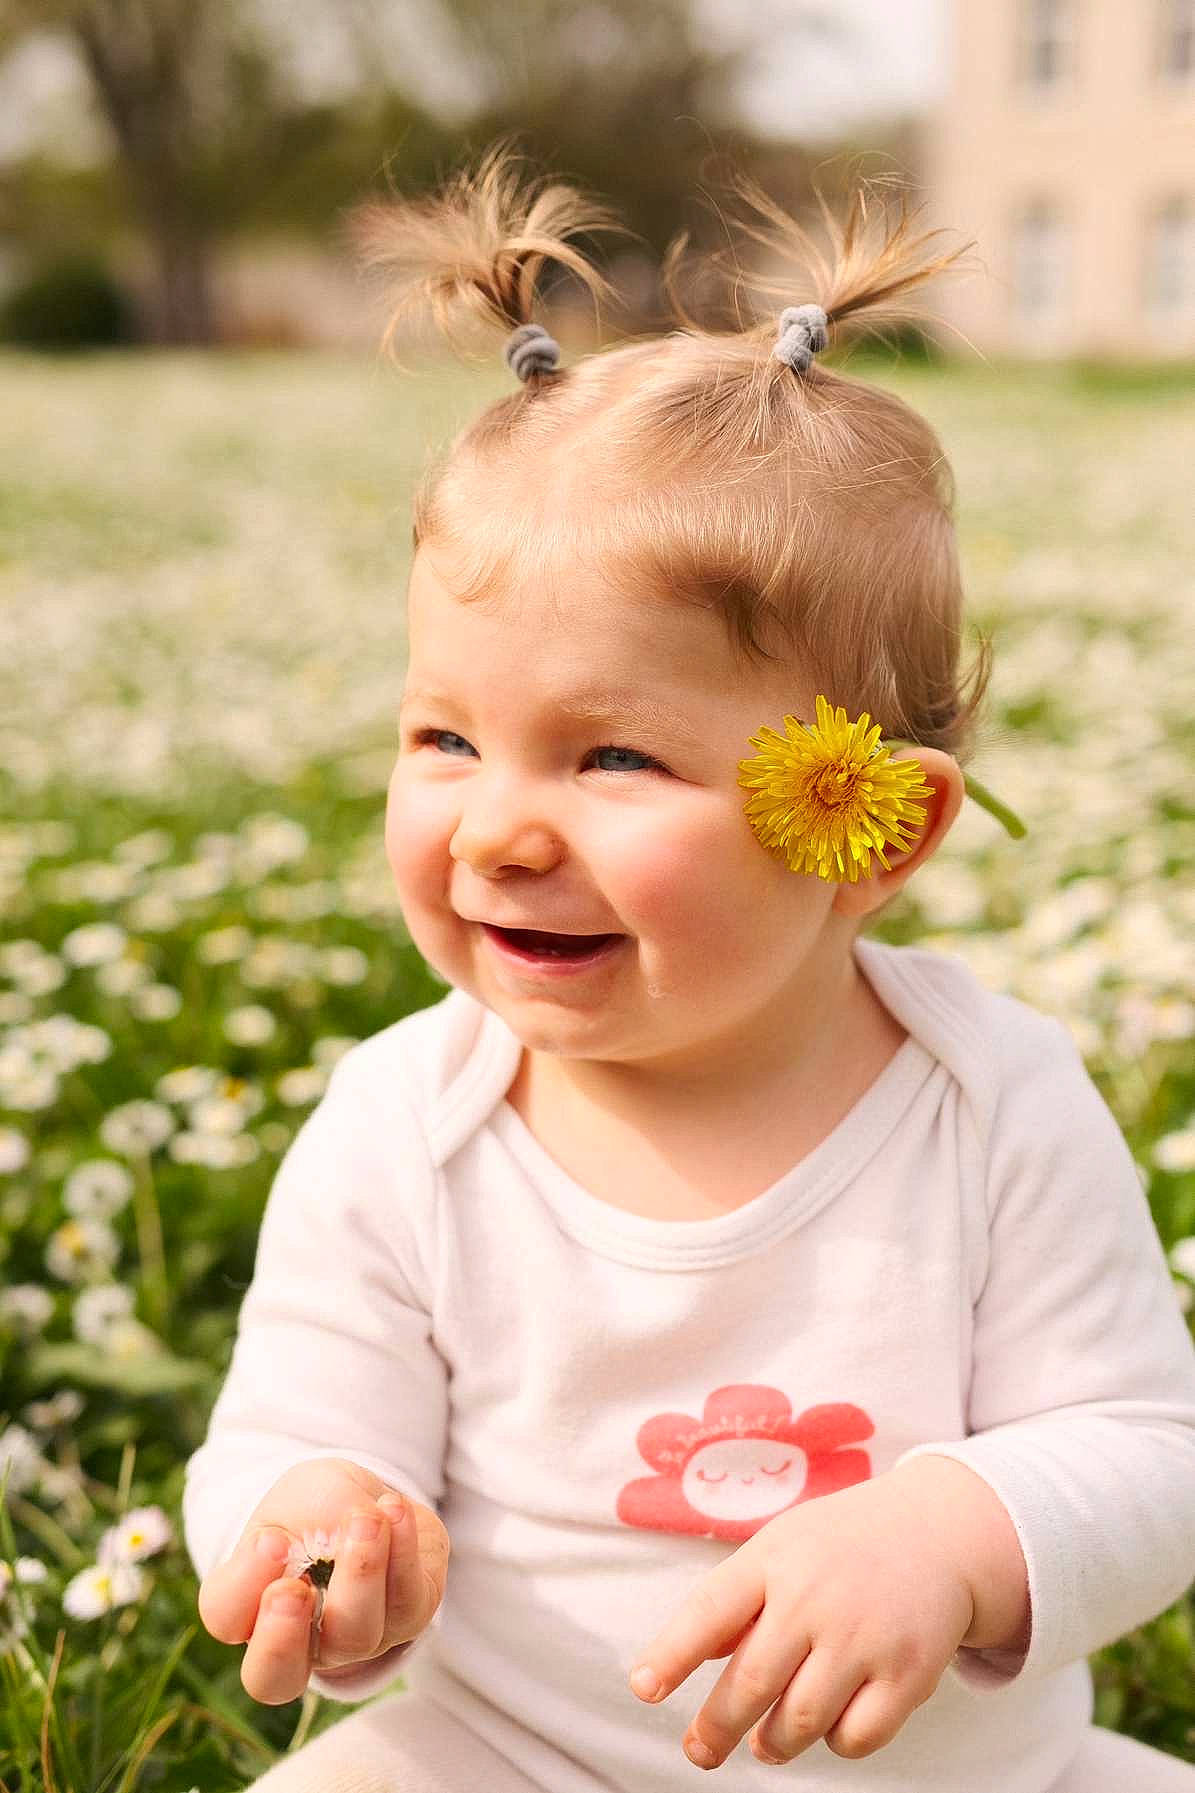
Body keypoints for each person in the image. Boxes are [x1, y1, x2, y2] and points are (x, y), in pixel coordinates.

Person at [182, 147, 1195, 1792]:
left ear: (873, 829)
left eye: (615, 757)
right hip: (510, 1759)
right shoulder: (406, 1124)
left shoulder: (992, 1102)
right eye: (446, 737)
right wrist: (321, 1526)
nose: (496, 828)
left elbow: (1150, 1453)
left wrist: (951, 1530)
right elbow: (296, 1424)